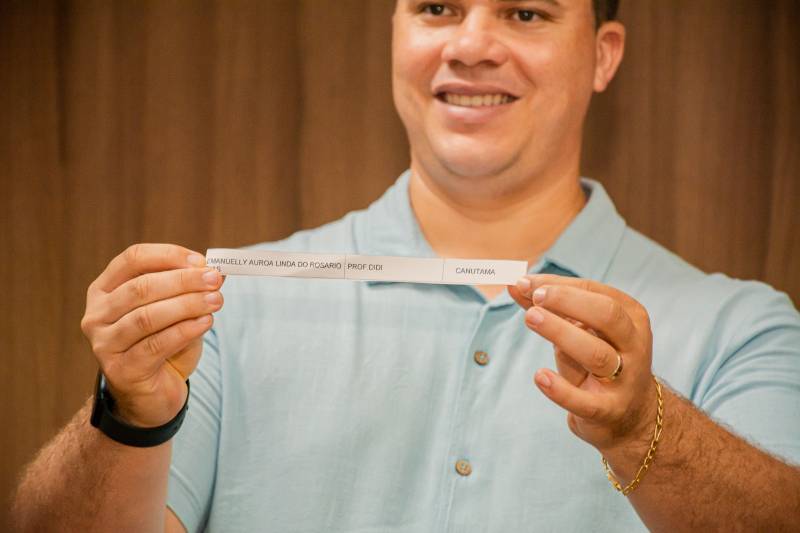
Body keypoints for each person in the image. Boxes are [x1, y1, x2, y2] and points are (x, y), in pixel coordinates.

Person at [11, 0, 800, 531]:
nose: (471, 46)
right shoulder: (227, 306)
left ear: (603, 55)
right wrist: (128, 414)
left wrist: (642, 431)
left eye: (526, 12)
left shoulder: (743, 329)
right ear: (394, 31)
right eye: (436, 8)